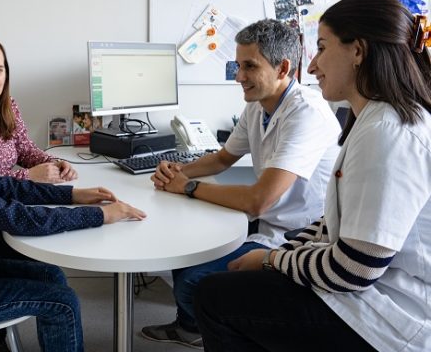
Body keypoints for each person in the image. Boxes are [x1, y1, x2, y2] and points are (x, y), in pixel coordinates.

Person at [194, 0, 431, 352]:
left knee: (212, 295)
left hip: (386, 313)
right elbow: (334, 222)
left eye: (321, 47)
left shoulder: (387, 132)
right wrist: (287, 250)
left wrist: (274, 259)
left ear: (358, 51)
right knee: (226, 284)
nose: (314, 65)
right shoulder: (374, 119)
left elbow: (356, 269)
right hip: (365, 284)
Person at [0, 70, 146, 352]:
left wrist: (73, 194)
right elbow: (17, 218)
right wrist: (101, 216)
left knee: (51, 275)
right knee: (63, 304)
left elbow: (7, 186)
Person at [141, 19, 341, 349]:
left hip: (301, 236)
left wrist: (187, 187)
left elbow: (258, 201)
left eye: (249, 66)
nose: (238, 77)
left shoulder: (306, 113)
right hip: (268, 221)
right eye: (237, 65)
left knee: (194, 282)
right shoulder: (257, 105)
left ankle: (218, 328)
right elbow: (222, 159)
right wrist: (180, 171)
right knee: (183, 246)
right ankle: (191, 327)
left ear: (283, 68)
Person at [0, 37, 76, 183]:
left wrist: (54, 163)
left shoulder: (8, 105)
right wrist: (27, 176)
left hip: (14, 197)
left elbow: (24, 150)